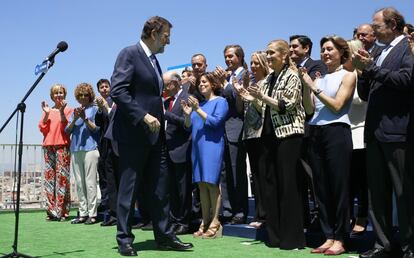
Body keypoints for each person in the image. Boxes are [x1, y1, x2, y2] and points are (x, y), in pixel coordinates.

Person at [105, 16, 193, 256]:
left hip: (156, 137)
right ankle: (125, 240)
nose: (169, 42)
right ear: (154, 33)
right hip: (134, 135)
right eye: (166, 36)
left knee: (159, 189)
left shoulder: (154, 61)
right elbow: (118, 91)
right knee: (129, 189)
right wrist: (143, 116)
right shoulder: (129, 53)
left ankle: (164, 236)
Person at [354, 7, 414, 258]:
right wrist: (362, 71)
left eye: (376, 26)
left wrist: (372, 70)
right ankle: (383, 244)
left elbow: (407, 79)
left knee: (404, 193)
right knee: (376, 193)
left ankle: (410, 247)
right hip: (375, 132)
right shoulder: (377, 52)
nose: (372, 30)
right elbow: (367, 94)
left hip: (397, 132)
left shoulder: (406, 49)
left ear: (393, 25)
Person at [238, 40, 306, 250]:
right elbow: (263, 107)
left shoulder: (292, 76)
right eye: (266, 53)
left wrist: (262, 97)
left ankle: (292, 239)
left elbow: (287, 105)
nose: (268, 56)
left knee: (288, 186)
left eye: (271, 53)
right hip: (268, 136)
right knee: (270, 186)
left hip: (288, 136)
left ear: (284, 55)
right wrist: (252, 98)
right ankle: (274, 237)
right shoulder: (268, 78)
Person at [300, 35, 356, 255]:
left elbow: (337, 106)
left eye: (330, 49)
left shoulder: (348, 75)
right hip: (316, 132)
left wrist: (314, 87)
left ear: (341, 52)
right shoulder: (319, 78)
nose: (325, 53)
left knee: (339, 188)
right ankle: (328, 236)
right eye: (323, 49)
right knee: (321, 188)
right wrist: (307, 87)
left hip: (337, 132)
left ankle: (341, 238)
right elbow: (309, 109)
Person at [181, 72, 229, 239]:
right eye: (200, 82)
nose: (201, 85)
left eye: (204, 82)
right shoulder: (199, 104)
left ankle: (215, 221)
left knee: (211, 183)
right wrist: (188, 115)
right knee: (201, 184)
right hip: (197, 148)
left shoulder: (220, 101)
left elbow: (215, 122)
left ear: (213, 84)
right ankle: (205, 220)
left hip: (212, 146)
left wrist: (197, 109)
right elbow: (188, 126)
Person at [289, 35, 328, 229]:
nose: (291, 50)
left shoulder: (317, 65)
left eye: (295, 47)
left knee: (313, 176)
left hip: (310, 127)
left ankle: (319, 216)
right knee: (298, 177)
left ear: (307, 48)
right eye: (290, 47)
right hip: (292, 130)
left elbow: (312, 93)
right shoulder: (289, 69)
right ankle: (303, 217)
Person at [214, 44, 248, 225]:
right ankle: (227, 209)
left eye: (231, 56)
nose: (227, 60)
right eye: (225, 57)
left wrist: (225, 83)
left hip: (237, 128)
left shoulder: (244, 75)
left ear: (240, 57)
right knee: (225, 173)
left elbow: (237, 97)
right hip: (223, 130)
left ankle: (240, 210)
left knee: (237, 171)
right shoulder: (227, 76)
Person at [236, 51, 270, 229]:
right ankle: (259, 213)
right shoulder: (252, 84)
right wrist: (242, 93)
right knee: (255, 177)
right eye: (252, 63)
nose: (253, 66)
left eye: (257, 63)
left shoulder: (269, 82)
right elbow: (242, 109)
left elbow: (265, 108)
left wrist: (253, 98)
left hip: (263, 134)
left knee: (264, 176)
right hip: (249, 135)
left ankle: (266, 216)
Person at [343, 39, 370, 237]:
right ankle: (347, 217)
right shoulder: (340, 76)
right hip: (344, 133)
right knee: (347, 181)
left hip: (361, 133)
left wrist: (360, 73)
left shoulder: (364, 77)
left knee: (361, 181)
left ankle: (362, 216)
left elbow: (363, 99)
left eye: (347, 53)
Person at [65, 83, 100, 225]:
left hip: (91, 149)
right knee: (79, 183)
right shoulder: (75, 111)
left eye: (86, 94)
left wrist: (85, 119)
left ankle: (92, 214)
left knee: (90, 182)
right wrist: (75, 119)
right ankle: (83, 213)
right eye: (80, 95)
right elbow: (67, 130)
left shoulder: (95, 110)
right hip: (76, 149)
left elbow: (96, 129)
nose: (83, 97)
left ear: (90, 95)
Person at [163, 71, 192, 235]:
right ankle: (174, 220)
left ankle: (184, 222)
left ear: (175, 83)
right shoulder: (167, 102)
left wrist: (168, 115)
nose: (165, 87)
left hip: (182, 149)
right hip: (167, 149)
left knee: (183, 189)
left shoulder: (187, 98)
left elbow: (188, 125)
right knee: (172, 189)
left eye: (166, 84)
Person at [38, 84, 73, 222]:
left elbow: (67, 128)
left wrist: (62, 111)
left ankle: (62, 211)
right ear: (52, 95)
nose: (58, 95)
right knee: (49, 179)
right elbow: (42, 128)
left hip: (62, 147)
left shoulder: (69, 109)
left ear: (64, 94)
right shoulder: (47, 110)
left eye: (61, 92)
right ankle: (51, 211)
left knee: (62, 179)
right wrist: (46, 114)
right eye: (56, 93)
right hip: (49, 147)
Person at [94, 78, 120, 227]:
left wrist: (105, 107)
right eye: (101, 87)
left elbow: (113, 120)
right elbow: (98, 123)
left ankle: (116, 213)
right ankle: (110, 211)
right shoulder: (100, 104)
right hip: (104, 145)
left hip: (116, 144)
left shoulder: (114, 101)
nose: (104, 89)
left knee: (115, 179)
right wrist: (100, 108)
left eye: (106, 86)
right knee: (107, 180)